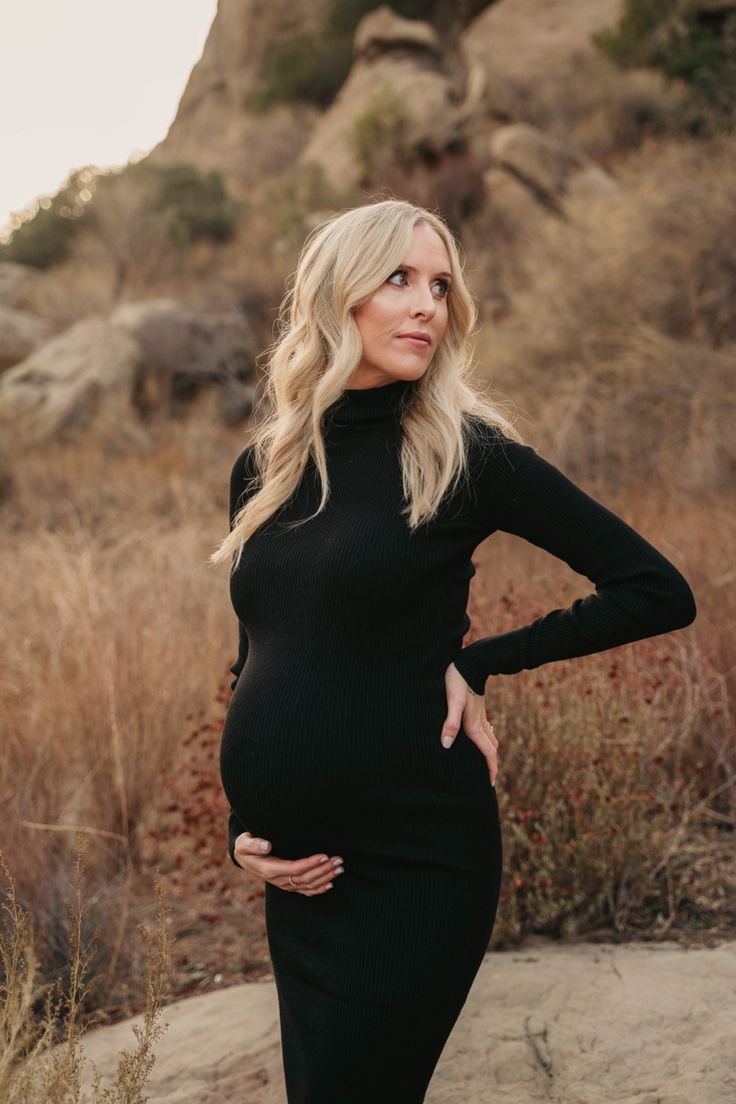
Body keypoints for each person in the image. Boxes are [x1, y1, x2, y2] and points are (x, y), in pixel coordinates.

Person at [209, 198, 696, 1103]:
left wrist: (479, 662)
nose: (428, 304)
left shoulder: (466, 454)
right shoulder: (265, 466)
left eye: (440, 285)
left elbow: (657, 591)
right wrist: (242, 831)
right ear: (335, 295)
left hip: (416, 859)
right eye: (399, 279)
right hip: (303, 883)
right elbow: (262, 654)